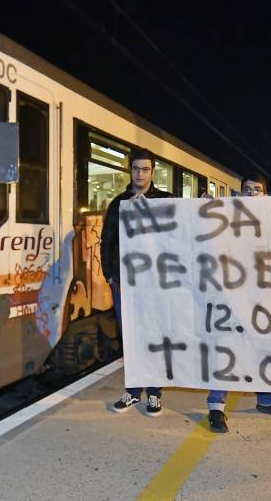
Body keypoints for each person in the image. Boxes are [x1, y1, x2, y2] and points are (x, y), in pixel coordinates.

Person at [207, 175, 271, 433]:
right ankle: (216, 407)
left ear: (266, 196)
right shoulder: (227, 219)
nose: (251, 194)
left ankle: (266, 400)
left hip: (263, 298)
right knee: (226, 348)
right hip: (232, 298)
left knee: (263, 347)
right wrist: (201, 210)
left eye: (256, 190)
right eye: (246, 190)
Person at [101, 147, 173, 416]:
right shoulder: (118, 203)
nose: (140, 174)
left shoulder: (165, 201)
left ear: (152, 172)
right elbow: (107, 241)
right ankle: (133, 392)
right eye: (135, 169)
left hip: (155, 284)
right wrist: (110, 275)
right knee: (130, 339)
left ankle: (154, 394)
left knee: (153, 337)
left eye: (145, 169)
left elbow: (177, 236)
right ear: (129, 171)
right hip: (124, 284)